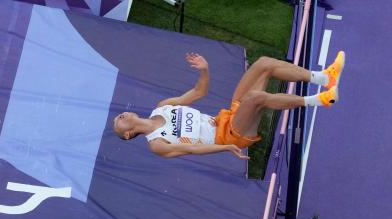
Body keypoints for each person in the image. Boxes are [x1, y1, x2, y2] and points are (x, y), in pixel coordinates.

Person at [113, 51, 345, 159]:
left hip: (226, 117)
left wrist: (204, 69)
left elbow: (198, 92)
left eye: (118, 116)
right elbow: (193, 149)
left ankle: (324, 78)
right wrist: (225, 148)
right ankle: (320, 100)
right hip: (229, 135)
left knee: (264, 64)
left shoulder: (162, 106)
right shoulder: (157, 144)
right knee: (256, 97)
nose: (120, 116)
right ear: (128, 135)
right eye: (118, 122)